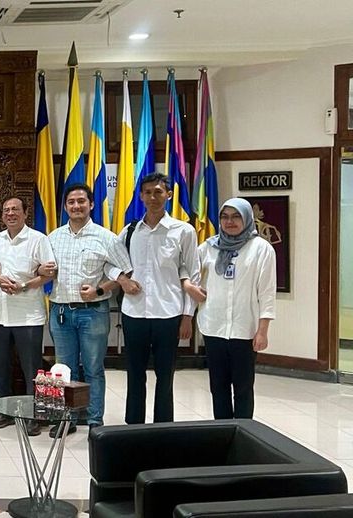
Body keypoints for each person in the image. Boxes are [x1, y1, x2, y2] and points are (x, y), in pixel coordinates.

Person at [111, 173, 199, 425]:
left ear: (169, 195)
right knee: (135, 373)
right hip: (134, 314)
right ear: (140, 196)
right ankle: (134, 425)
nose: (153, 197)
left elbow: (192, 274)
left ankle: (162, 426)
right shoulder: (129, 231)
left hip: (168, 314)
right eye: (148, 192)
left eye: (158, 192)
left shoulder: (183, 231)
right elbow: (109, 262)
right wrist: (122, 279)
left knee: (165, 375)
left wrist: (187, 316)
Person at [47, 183, 133, 436]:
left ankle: (95, 419)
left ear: (92, 204)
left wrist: (99, 289)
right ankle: (67, 419)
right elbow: (43, 269)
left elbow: (124, 271)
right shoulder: (54, 237)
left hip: (93, 311)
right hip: (61, 311)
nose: (76, 206)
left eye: (81, 201)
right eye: (71, 202)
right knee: (64, 368)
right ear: (65, 206)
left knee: (94, 367)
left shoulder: (106, 237)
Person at [185, 198, 276, 419]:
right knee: (218, 386)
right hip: (213, 327)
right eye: (225, 217)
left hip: (244, 330)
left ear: (246, 219)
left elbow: (267, 293)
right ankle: (222, 430)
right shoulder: (208, 247)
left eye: (236, 216)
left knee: (243, 388)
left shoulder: (261, 249)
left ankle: (244, 433)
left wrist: (263, 330)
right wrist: (188, 293)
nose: (230, 222)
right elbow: (190, 277)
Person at [0, 197, 55, 435]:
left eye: (15, 210)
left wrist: (24, 285)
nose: (10, 213)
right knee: (0, 366)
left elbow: (49, 272)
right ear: (2, 215)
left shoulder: (38, 239)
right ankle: (5, 411)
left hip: (29, 315)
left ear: (25, 213)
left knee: (31, 368)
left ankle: (36, 414)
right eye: (6, 210)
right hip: (0, 314)